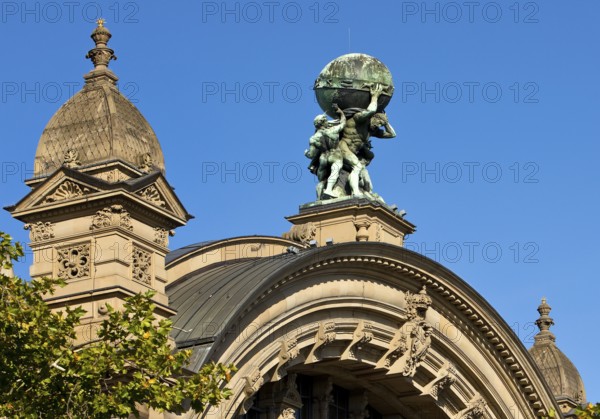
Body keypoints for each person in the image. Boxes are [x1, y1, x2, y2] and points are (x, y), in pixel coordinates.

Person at [339, 84, 395, 196]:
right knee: (357, 166)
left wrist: (385, 122)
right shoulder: (359, 119)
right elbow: (370, 111)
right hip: (343, 146)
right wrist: (374, 97)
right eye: (378, 122)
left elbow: (392, 134)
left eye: (381, 125)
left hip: (354, 152)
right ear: (374, 117)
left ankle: (363, 190)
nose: (378, 125)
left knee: (365, 168)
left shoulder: (371, 130)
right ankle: (355, 192)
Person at [305, 104, 346, 199]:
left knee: (322, 181)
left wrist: (306, 153)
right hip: (335, 154)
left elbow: (311, 155)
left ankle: (319, 199)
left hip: (323, 157)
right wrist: (340, 112)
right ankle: (329, 190)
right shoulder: (333, 130)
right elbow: (343, 123)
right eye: (326, 120)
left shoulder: (313, 138)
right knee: (335, 171)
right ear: (323, 122)